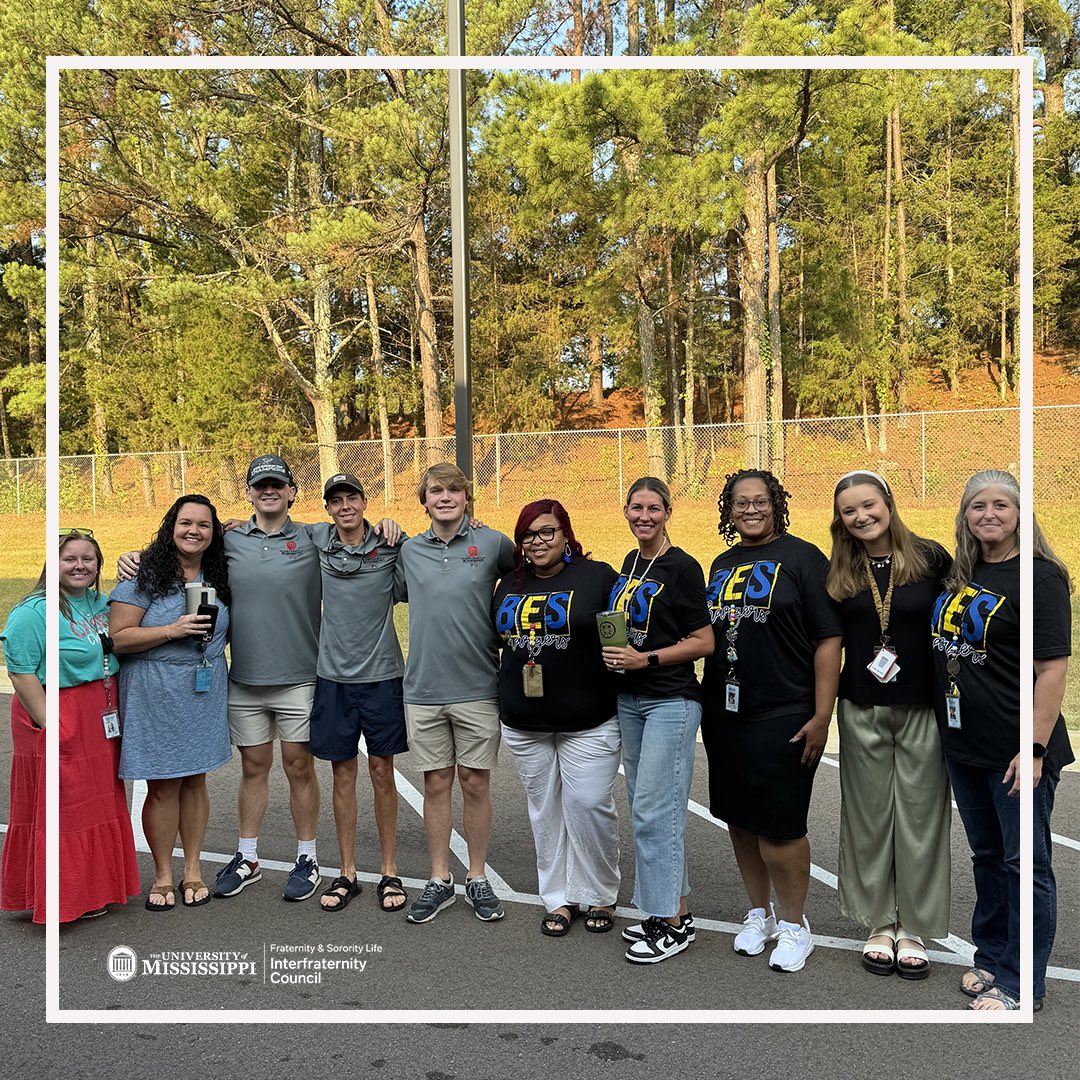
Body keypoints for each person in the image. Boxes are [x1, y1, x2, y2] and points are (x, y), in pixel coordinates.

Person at [932, 469, 1074, 1011]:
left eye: (1001, 505)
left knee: (1026, 865)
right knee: (987, 856)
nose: (988, 514)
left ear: (1021, 513)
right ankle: (991, 957)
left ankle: (1022, 983)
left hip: (1016, 751)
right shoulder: (963, 574)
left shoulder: (1040, 576)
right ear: (965, 516)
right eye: (977, 506)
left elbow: (1053, 669)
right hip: (964, 744)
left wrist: (1034, 747)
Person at [701, 469, 842, 973]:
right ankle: (758, 913)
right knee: (739, 819)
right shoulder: (722, 563)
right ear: (728, 509)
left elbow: (829, 638)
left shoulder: (804, 559)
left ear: (777, 504)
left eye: (761, 501)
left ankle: (794, 923)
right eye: (740, 503)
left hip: (784, 709)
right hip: (725, 710)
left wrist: (823, 714)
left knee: (780, 828)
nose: (750, 510)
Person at [827, 471, 953, 980]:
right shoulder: (837, 568)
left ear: (889, 503)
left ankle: (915, 925)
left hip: (923, 705)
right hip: (861, 706)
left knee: (921, 817)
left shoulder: (931, 558)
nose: (861, 516)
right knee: (868, 816)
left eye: (869, 505)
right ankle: (879, 921)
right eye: (849, 510)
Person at [492, 499, 621, 937]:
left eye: (547, 531)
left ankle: (600, 892)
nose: (538, 541)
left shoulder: (596, 577)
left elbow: (618, 638)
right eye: (528, 534)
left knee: (587, 805)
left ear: (566, 533)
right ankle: (559, 898)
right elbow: (499, 642)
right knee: (544, 811)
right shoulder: (508, 584)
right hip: (524, 722)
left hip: (589, 718)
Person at [394, 463, 516, 924]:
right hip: (423, 688)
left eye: (453, 490)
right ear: (423, 500)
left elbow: (531, 573)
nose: (444, 497)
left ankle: (478, 876)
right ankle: (439, 878)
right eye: (435, 491)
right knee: (436, 783)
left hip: (478, 686)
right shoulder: (408, 550)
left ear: (467, 498)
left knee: (476, 782)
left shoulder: (492, 543)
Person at [0, 530, 140, 923]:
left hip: (99, 714)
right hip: (56, 712)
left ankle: (96, 889)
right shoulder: (33, 612)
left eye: (88, 559)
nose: (80, 566)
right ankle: (64, 897)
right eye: (70, 559)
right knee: (64, 809)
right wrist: (51, 723)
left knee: (95, 804)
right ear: (52, 563)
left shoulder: (100, 602)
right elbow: (21, 671)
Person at [601, 476, 714, 964]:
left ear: (668, 512)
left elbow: (704, 642)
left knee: (656, 812)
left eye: (653, 508)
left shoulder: (683, 567)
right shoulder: (631, 563)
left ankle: (673, 922)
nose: (643, 516)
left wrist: (645, 661)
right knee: (647, 809)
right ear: (625, 512)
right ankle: (669, 909)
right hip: (631, 701)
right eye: (635, 507)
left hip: (670, 699)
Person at [109, 495, 232, 910]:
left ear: (213, 533)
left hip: (205, 686)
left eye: (203, 524)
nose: (193, 531)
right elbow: (119, 638)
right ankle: (163, 875)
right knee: (162, 785)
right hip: (153, 688)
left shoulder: (221, 571)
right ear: (171, 526)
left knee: (196, 779)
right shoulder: (143, 573)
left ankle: (193, 870)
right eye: (185, 523)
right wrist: (172, 630)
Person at [308, 473, 409, 913]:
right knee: (342, 774)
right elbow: (268, 530)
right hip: (333, 678)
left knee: (383, 773)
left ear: (364, 503)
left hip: (383, 676)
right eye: (336, 500)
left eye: (352, 498)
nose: (345, 506)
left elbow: (428, 558)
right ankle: (347, 872)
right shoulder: (315, 541)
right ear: (328, 508)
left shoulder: (390, 545)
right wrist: (234, 523)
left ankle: (389, 870)